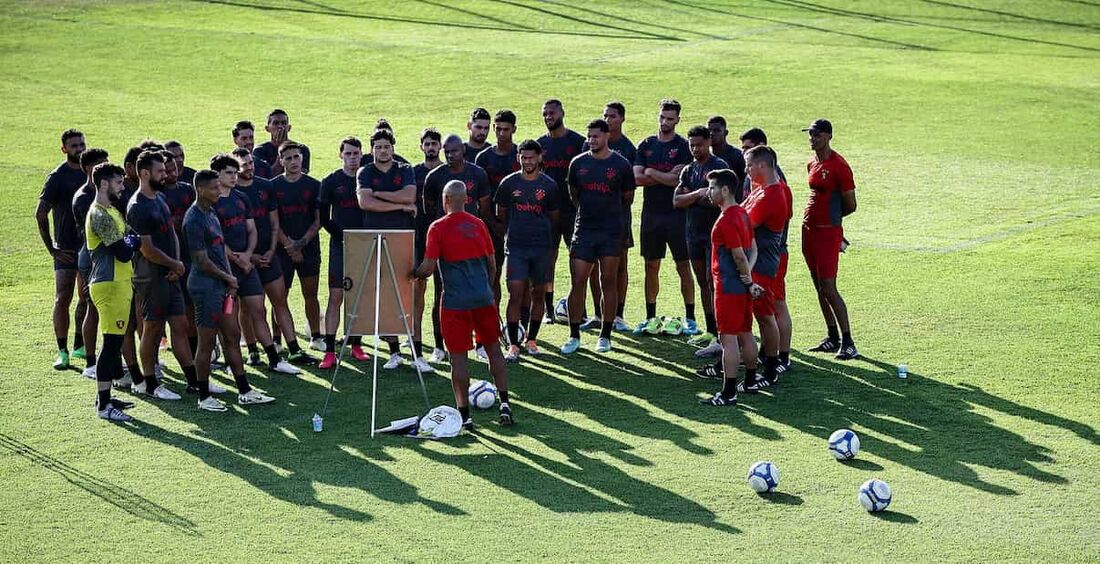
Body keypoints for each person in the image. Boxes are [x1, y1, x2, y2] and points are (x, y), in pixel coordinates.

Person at [414, 180, 512, 428]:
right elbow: (492, 264)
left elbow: (427, 267)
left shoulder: (437, 228)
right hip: (483, 299)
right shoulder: (479, 225)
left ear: (445, 200)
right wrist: (485, 290)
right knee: (493, 349)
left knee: (458, 359)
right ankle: (504, 404)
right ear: (466, 199)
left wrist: (411, 273)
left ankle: (465, 416)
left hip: (455, 303)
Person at [184, 170, 276, 411]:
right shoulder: (193, 219)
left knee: (232, 335)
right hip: (205, 288)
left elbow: (220, 248)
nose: (219, 191)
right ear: (201, 190)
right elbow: (202, 261)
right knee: (206, 343)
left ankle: (244, 390)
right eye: (214, 188)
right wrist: (229, 278)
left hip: (222, 285)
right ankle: (203, 396)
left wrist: (228, 281)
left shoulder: (211, 212)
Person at [209, 153, 301, 375]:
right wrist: (236, 257)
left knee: (258, 310)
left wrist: (248, 255)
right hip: (226, 269)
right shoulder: (210, 203)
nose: (234, 176)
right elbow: (215, 238)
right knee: (228, 321)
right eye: (228, 173)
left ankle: (274, 359)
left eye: (234, 172)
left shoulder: (241, 198)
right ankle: (234, 361)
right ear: (217, 175)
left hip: (246, 266)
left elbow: (251, 229)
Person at [355, 129, 432, 372]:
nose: (382, 150)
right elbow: (365, 202)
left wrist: (380, 195)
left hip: (403, 237)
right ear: (372, 149)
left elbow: (410, 194)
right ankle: (394, 352)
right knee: (386, 295)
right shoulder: (365, 172)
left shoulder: (405, 169)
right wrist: (399, 205)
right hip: (375, 238)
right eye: (377, 147)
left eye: (386, 146)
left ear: (393, 147)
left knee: (410, 293)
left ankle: (417, 353)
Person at [560, 119, 635, 354]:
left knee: (608, 281)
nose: (591, 140)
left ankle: (605, 335)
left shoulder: (621, 164)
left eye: (596, 136)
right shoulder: (578, 163)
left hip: (611, 231)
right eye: (589, 136)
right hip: (584, 230)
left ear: (606, 137)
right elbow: (573, 194)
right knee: (578, 280)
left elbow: (628, 197)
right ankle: (574, 335)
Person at [231, 148, 310, 364]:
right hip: (245, 260)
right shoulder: (231, 192)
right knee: (249, 307)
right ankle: (253, 350)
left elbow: (274, 223)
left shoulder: (265, 186)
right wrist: (252, 256)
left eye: (251, 163)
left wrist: (271, 250)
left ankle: (293, 347)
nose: (249, 167)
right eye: (244, 164)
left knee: (280, 301)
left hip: (269, 255)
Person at [125, 150, 191, 400]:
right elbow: (146, 249)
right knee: (152, 330)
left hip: (170, 273)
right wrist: (173, 263)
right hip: (151, 277)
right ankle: (150, 383)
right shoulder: (137, 206)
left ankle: (194, 380)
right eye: (160, 171)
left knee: (180, 325)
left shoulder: (160, 198)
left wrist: (175, 264)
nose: (166, 174)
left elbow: (172, 233)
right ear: (144, 173)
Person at [422, 134, 493, 360]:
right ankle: (439, 345)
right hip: (446, 245)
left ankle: (481, 343)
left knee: (479, 294)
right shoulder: (435, 177)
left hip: (473, 243)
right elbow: (429, 208)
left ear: (463, 149)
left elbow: (484, 208)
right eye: (447, 151)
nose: (450, 155)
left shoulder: (477, 173)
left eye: (454, 150)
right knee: (442, 293)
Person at [700, 169, 762, 407]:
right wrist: (749, 280)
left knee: (728, 340)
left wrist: (747, 279)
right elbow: (752, 250)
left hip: (727, 288)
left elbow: (738, 256)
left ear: (724, 190)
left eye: (712, 188)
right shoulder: (744, 214)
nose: (709, 192)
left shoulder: (725, 221)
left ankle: (728, 393)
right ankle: (750, 381)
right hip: (742, 288)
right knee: (746, 333)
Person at [634, 99, 696, 336]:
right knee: (651, 266)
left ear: (678, 120)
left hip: (678, 216)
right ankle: (650, 316)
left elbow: (676, 181)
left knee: (683, 265)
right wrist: (661, 175)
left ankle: (690, 318)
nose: (665, 122)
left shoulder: (683, 147)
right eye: (662, 117)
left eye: (670, 118)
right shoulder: (646, 144)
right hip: (651, 215)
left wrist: (652, 172)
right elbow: (638, 178)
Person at [84, 162, 139, 421]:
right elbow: (125, 251)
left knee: (114, 343)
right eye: (118, 182)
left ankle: (104, 396)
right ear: (104, 183)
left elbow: (134, 238)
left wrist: (129, 241)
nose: (122, 186)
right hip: (109, 285)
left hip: (120, 284)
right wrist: (129, 242)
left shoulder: (112, 211)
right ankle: (104, 406)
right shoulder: (99, 215)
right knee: (111, 344)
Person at [495, 139, 559, 361]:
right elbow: (501, 214)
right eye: (524, 157)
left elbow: (554, 217)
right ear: (518, 158)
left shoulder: (549, 185)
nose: (528, 161)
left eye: (532, 157)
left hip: (541, 248)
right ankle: (513, 344)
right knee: (515, 294)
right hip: (516, 248)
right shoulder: (508, 184)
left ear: (540, 158)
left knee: (538, 293)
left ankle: (531, 339)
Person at [801, 119, 858, 360]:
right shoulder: (812, 163)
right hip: (809, 230)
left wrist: (832, 221)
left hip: (826, 233)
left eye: (817, 135)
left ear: (829, 136)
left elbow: (851, 204)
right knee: (818, 285)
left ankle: (848, 342)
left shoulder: (839, 166)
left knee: (829, 287)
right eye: (810, 134)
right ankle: (832, 335)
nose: (812, 139)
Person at [672, 125, 728, 358]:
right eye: (691, 145)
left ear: (708, 143)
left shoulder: (719, 167)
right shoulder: (689, 170)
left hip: (715, 234)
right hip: (693, 233)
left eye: (699, 144)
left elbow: (717, 200)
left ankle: (721, 334)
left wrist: (694, 197)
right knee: (702, 282)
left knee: (714, 282)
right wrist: (697, 195)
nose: (695, 149)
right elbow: (677, 200)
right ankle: (710, 329)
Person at [740, 127, 792, 375]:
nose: (747, 171)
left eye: (749, 166)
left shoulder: (770, 195)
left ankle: (772, 365)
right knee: (762, 313)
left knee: (766, 314)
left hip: (762, 263)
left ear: (761, 165)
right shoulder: (762, 189)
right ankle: (769, 358)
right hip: (759, 260)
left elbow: (742, 223)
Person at [317, 137, 372, 369]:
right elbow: (323, 218)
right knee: (336, 296)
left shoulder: (368, 179)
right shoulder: (331, 181)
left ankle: (356, 345)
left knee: (359, 297)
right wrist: (341, 237)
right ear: (340, 154)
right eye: (348, 154)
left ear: (361, 155)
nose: (352, 158)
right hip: (340, 246)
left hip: (364, 245)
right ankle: (329, 351)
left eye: (356, 154)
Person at [36, 128, 88, 370]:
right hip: (66, 248)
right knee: (63, 298)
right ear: (64, 148)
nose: (79, 149)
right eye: (74, 145)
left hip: (88, 247)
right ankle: (62, 351)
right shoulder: (57, 176)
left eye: (82, 144)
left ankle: (80, 345)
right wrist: (52, 249)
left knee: (87, 297)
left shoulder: (92, 173)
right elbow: (40, 213)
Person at [535, 99, 586, 324]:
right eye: (545, 113)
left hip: (573, 212)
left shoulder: (578, 142)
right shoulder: (539, 145)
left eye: (552, 113)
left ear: (562, 113)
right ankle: (548, 310)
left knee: (578, 260)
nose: (548, 117)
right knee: (548, 260)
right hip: (547, 214)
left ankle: (580, 308)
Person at [271, 141, 324, 353]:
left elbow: (319, 220)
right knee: (279, 297)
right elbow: (273, 222)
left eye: (297, 157)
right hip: (281, 251)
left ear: (302, 158)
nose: (293, 161)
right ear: (281, 160)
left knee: (310, 294)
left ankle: (316, 336)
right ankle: (276, 340)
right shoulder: (273, 186)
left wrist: (300, 244)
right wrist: (289, 246)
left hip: (309, 249)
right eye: (288, 158)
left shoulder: (314, 185)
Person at [474, 109, 520, 304]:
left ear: (514, 129)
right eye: (498, 129)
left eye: (506, 129)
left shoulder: (520, 156)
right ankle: (492, 320)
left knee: (519, 278)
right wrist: (494, 225)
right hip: (490, 224)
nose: (502, 134)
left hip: (519, 223)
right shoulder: (483, 159)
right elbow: (479, 197)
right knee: (492, 273)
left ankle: (516, 326)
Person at [72, 148, 110, 379]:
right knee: (93, 307)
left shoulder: (100, 193)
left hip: (100, 256)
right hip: (93, 257)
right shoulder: (85, 197)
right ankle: (90, 362)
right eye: (102, 164)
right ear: (89, 169)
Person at [412, 128, 446, 362]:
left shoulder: (447, 173)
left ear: (440, 146)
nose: (431, 147)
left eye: (435, 143)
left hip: (445, 240)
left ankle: (439, 344)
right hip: (419, 238)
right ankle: (416, 343)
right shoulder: (412, 173)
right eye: (428, 143)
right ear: (421, 146)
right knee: (417, 291)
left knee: (442, 294)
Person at [254, 109, 311, 176]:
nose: (280, 127)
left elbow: (299, 177)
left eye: (283, 123)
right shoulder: (260, 151)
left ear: (289, 127)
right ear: (267, 128)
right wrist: (281, 149)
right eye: (275, 123)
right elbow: (267, 177)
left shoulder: (302, 149)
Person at [707, 116, 746, 187]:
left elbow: (745, 182)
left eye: (717, 130)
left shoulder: (737, 156)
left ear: (726, 133)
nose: (711, 133)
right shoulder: (705, 157)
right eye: (709, 130)